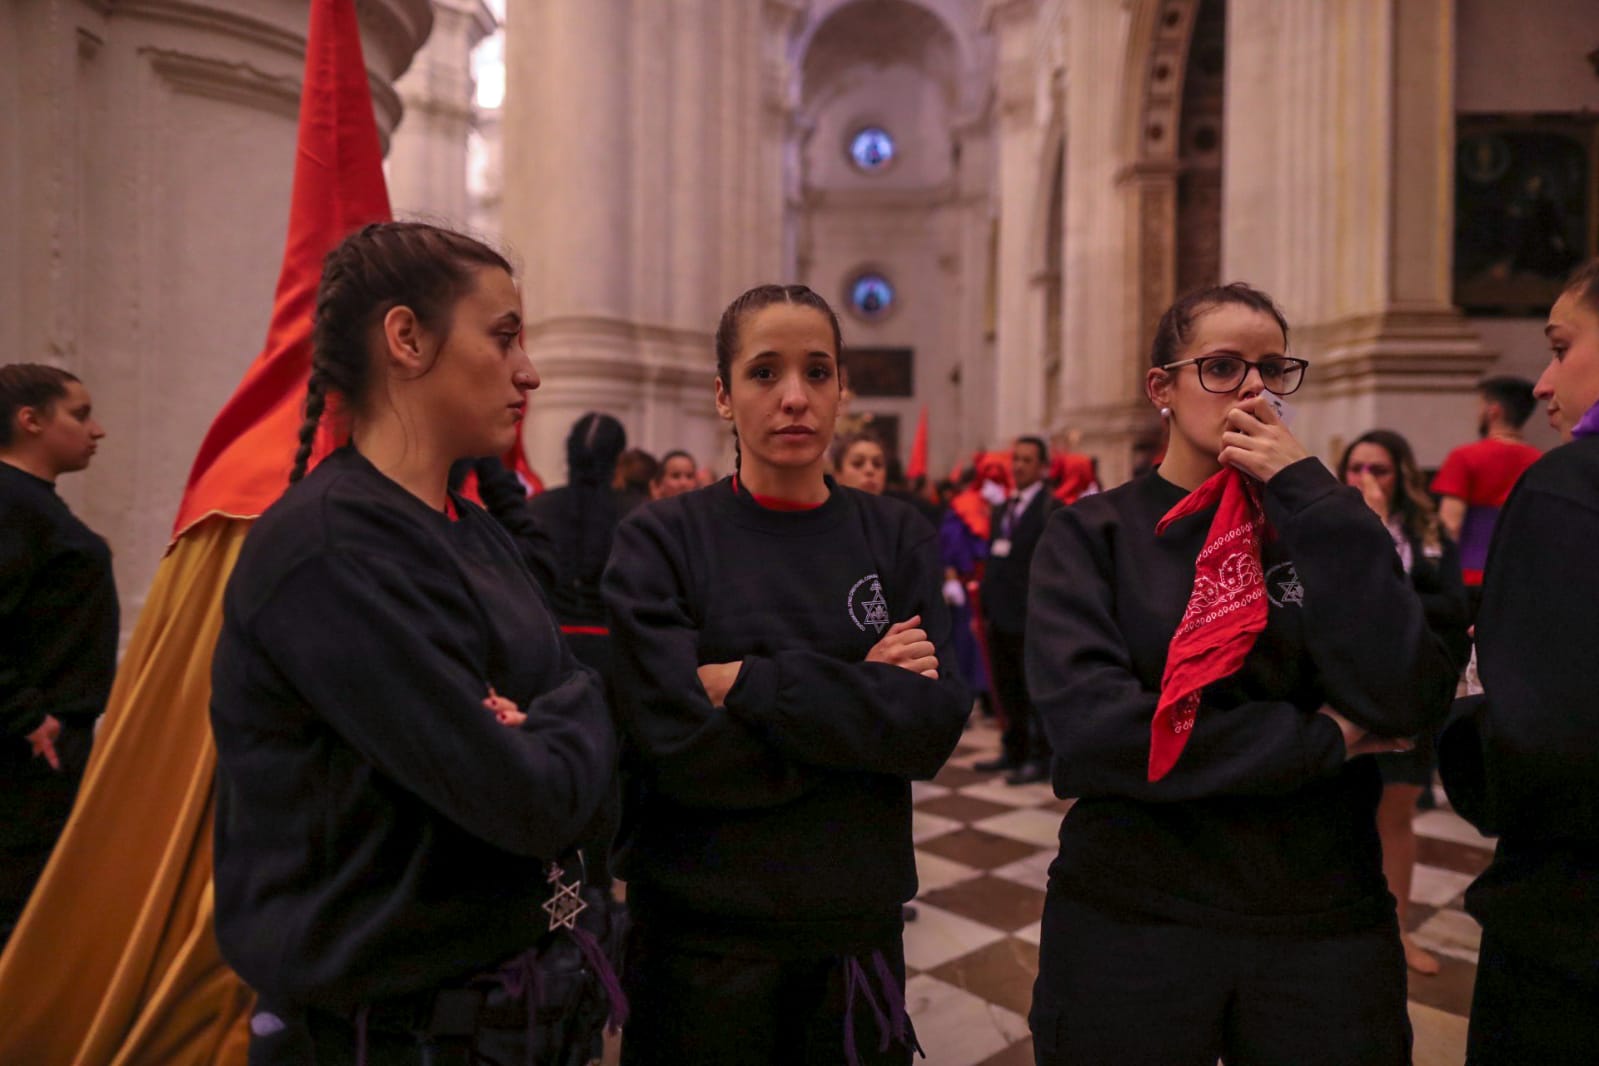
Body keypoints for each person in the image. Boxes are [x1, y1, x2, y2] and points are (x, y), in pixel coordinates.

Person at [209, 222, 619, 1065]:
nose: (528, 371)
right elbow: (524, 796)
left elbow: (576, 756)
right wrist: (569, 711)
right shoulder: (330, 552)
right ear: (406, 338)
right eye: (502, 337)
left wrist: (558, 710)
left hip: (520, 1000)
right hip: (390, 1030)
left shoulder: (473, 530)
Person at [1026, 283, 1460, 1065]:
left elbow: (1405, 698)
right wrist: (1320, 739)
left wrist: (1312, 500)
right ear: (1161, 387)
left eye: (1271, 369)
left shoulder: (1327, 525)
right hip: (1137, 913)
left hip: (1318, 916)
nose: (1254, 389)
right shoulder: (1091, 534)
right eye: (1222, 367)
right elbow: (1098, 737)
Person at [603, 283, 969, 1065]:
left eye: (817, 372)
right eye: (765, 372)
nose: (794, 397)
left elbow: (927, 729)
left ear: (842, 390)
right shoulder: (661, 539)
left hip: (850, 933)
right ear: (724, 397)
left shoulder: (894, 534)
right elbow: (672, 748)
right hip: (697, 942)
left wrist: (743, 683)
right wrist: (855, 700)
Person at [1439, 259, 1599, 1064]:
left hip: (1572, 924)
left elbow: (1533, 741)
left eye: (1561, 345)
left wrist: (1467, 710)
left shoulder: (1568, 485)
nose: (1543, 380)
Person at [1336, 430, 1471, 976]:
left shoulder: (1429, 530)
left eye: (1380, 469)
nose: (1366, 479)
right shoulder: (1328, 528)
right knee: (1342, 813)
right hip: (1345, 693)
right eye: (1355, 468)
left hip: (1408, 688)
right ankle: (1339, 931)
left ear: (1403, 474)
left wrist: (1394, 584)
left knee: (1395, 813)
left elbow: (1453, 604)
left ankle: (1396, 932)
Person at [0, 364, 116, 949]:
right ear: (30, 420)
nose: (96, 431)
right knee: (16, 909)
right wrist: (27, 716)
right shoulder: (12, 502)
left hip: (42, 742)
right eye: (79, 414)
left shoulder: (30, 503)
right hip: (25, 750)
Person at [975, 436, 1059, 785]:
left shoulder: (1049, 508)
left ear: (1042, 467)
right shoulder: (1002, 508)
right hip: (1000, 613)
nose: (1019, 466)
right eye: (1016, 459)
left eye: (1027, 460)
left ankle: (1039, 757)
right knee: (1006, 686)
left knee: (1032, 690)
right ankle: (1013, 750)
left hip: (1031, 616)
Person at [1430, 376, 1540, 617]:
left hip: (1469, 578)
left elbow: (1451, 524)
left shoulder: (1465, 457)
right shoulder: (1541, 462)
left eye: (1479, 406)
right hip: (1519, 578)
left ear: (1494, 411)